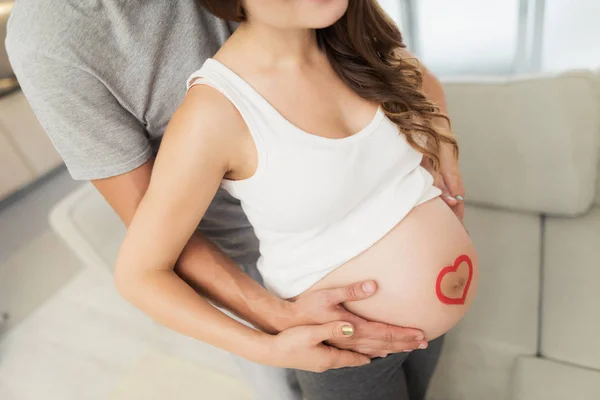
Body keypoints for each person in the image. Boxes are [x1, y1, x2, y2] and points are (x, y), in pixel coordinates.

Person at [6, 0, 467, 399]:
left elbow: (414, 79)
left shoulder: (335, 29)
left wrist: (441, 158)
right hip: (268, 282)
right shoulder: (207, 109)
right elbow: (143, 261)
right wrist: (275, 328)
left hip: (418, 327)